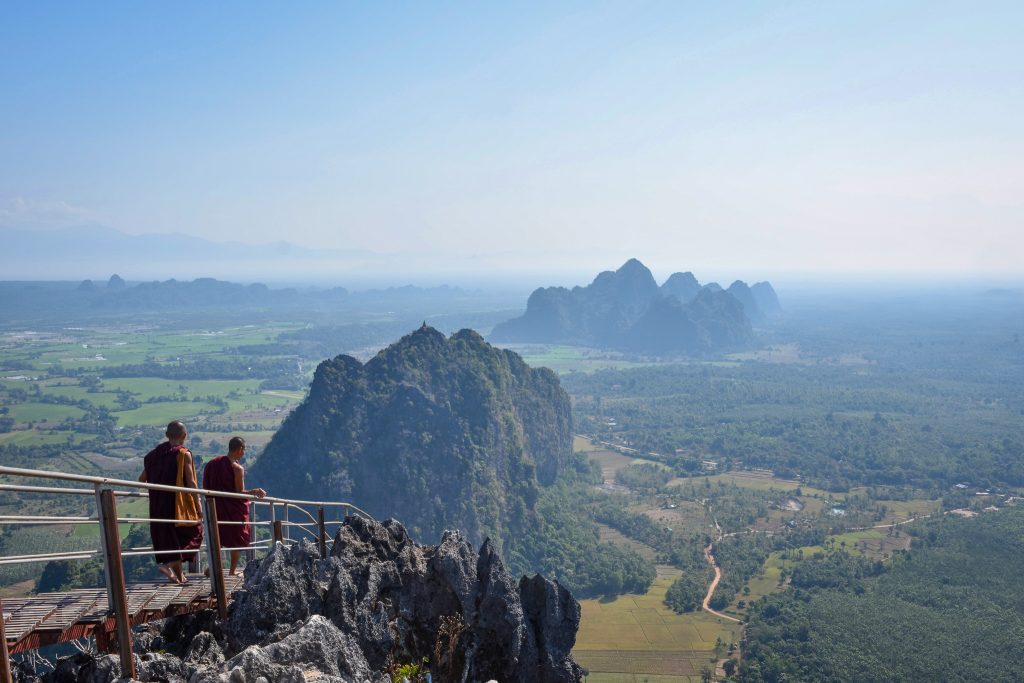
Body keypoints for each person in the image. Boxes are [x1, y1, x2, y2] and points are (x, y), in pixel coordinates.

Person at [139, 420, 203, 584]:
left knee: (172, 541)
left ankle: (179, 577)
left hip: (157, 506)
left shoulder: (153, 456)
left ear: (167, 435)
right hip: (178, 505)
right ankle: (168, 565)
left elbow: (142, 479)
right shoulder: (183, 454)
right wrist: (199, 506)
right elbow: (191, 483)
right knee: (196, 534)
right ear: (185, 436)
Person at [202, 436, 266, 575]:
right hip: (232, 508)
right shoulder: (237, 468)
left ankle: (212, 568)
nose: (244, 453)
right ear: (240, 449)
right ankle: (231, 571)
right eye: (244, 450)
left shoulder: (212, 463)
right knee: (236, 538)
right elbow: (239, 493)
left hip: (214, 507)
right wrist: (254, 491)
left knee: (217, 536)